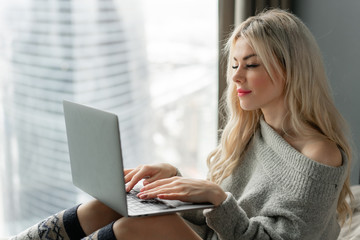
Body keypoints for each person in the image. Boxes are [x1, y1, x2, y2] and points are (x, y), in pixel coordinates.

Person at [11, 8, 353, 240]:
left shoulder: (319, 153)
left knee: (136, 227)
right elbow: (223, 211)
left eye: (251, 64)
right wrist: (175, 182)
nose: (237, 76)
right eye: (233, 64)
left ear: (290, 69)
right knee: (121, 199)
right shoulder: (252, 129)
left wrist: (218, 199)